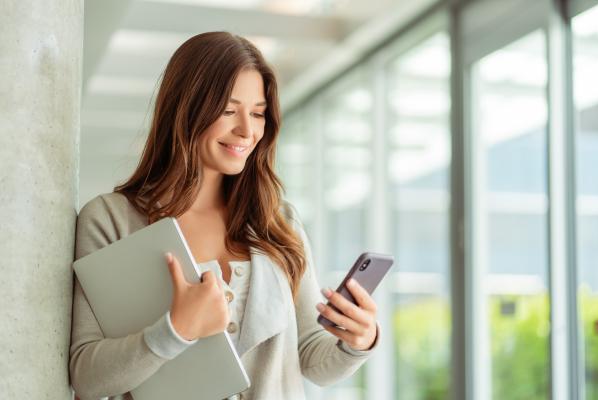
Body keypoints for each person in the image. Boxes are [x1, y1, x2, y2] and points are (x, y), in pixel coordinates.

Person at [69, 31, 380, 400]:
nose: (247, 131)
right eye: (229, 111)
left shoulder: (279, 222)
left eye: (258, 113)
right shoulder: (110, 220)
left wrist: (358, 341)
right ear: (187, 108)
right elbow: (86, 376)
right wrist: (174, 330)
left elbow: (312, 359)